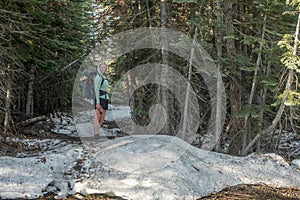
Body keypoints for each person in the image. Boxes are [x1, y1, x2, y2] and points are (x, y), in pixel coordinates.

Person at [93, 63, 109, 139]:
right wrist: (98, 102)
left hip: (105, 98)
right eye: (101, 67)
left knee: (102, 118)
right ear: (99, 68)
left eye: (104, 67)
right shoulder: (98, 77)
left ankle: (97, 133)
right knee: (97, 117)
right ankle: (96, 135)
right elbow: (96, 90)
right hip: (99, 99)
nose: (103, 69)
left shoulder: (103, 77)